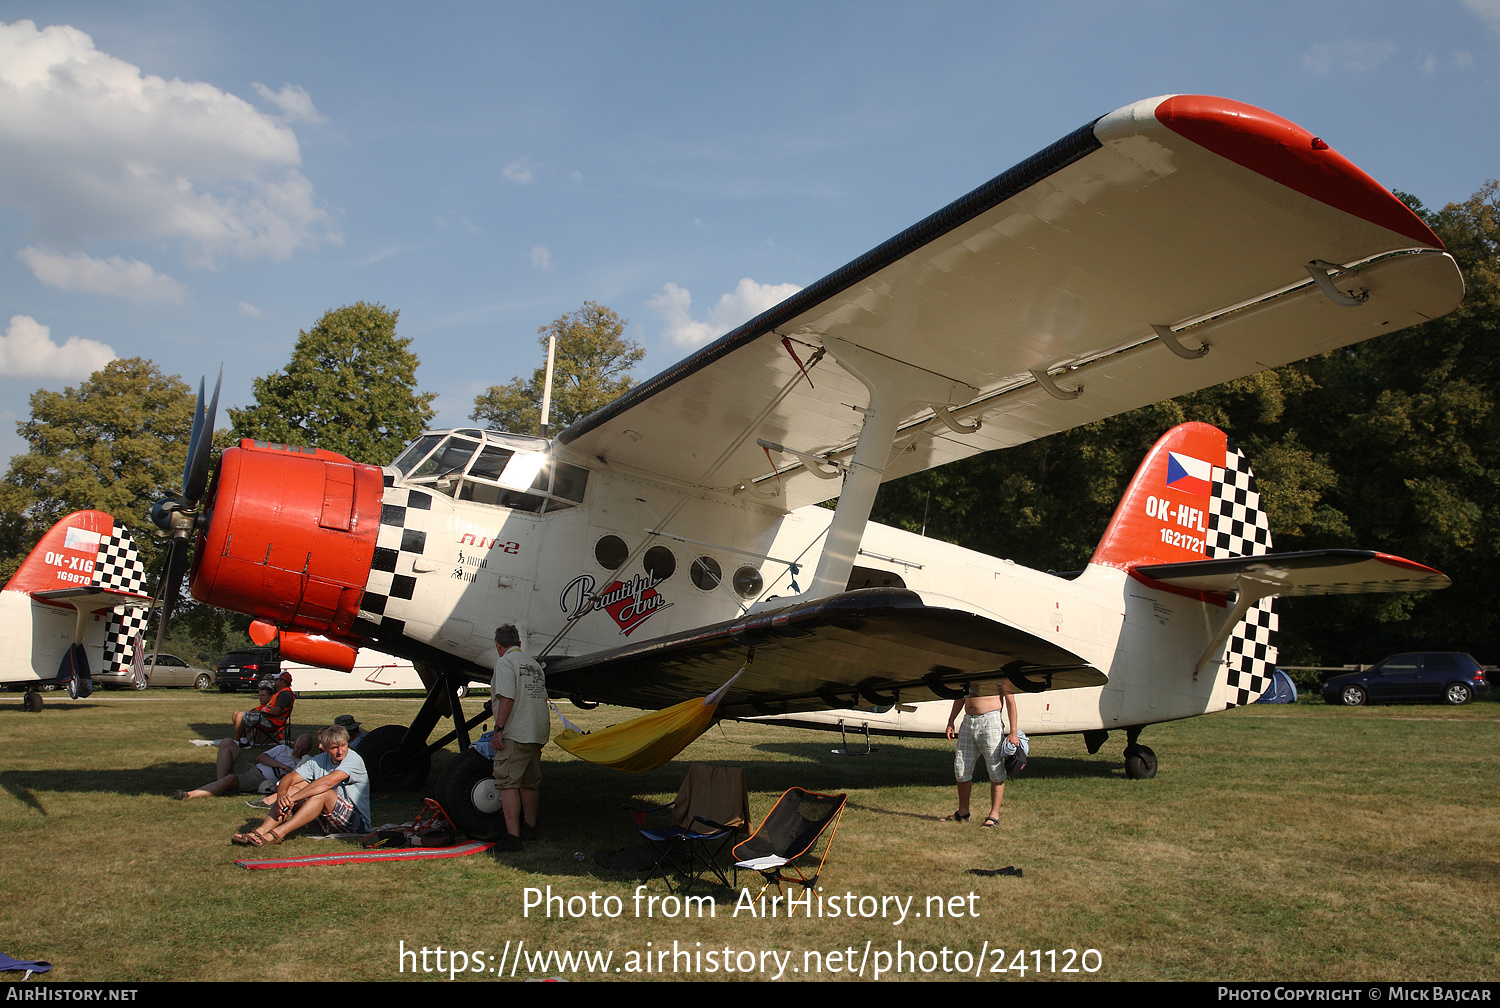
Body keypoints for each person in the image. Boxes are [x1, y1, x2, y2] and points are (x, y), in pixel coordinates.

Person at [232, 724, 370, 846]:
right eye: (334, 748)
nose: (340, 751)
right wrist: (282, 795)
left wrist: (292, 799)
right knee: (291, 789)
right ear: (324, 747)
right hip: (325, 818)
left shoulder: (353, 759)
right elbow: (290, 777)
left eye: (343, 746)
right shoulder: (318, 760)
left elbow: (327, 782)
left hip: (356, 822)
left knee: (323, 793)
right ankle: (260, 831)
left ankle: (276, 834)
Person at [489, 624, 548, 850]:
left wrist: (498, 728)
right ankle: (530, 828)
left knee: (507, 782)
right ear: (519, 643)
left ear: (498, 645)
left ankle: (513, 837)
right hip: (537, 732)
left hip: (517, 732)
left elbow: (507, 698)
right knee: (530, 783)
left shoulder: (505, 663)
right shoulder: (534, 665)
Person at [944, 682, 1019, 829]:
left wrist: (1013, 733)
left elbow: (1011, 702)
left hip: (990, 720)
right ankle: (963, 812)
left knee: (995, 769)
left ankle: (994, 815)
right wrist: (951, 720)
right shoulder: (970, 671)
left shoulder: (997, 673)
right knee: (961, 768)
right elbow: (961, 696)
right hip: (968, 721)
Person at [176, 734, 313, 801]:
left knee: (231, 778)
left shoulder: (303, 763)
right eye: (298, 747)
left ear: (308, 750)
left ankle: (190, 794)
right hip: (252, 767)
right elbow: (260, 757)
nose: (299, 751)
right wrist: (280, 765)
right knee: (227, 742)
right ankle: (220, 785)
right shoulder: (282, 749)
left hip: (260, 779)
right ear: (294, 743)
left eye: (303, 749)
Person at [231, 672, 294, 745]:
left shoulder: (284, 694)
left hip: (272, 723)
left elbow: (276, 712)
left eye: (276, 679)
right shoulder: (282, 693)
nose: (274, 681)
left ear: (282, 682)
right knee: (236, 714)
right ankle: (244, 741)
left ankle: (236, 742)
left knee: (240, 715)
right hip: (269, 719)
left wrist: (260, 713)